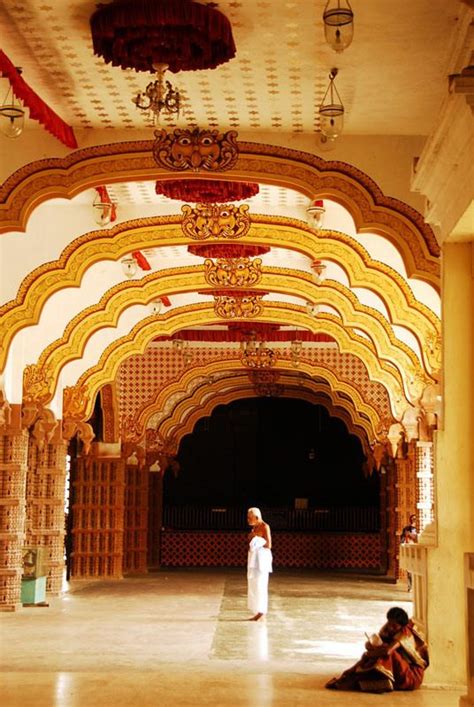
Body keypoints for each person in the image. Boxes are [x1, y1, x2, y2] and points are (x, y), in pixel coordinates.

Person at [325, 607, 429, 693]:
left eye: (394, 626)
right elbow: (369, 643)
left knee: (386, 653)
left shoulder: (404, 634)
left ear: (401, 626)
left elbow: (387, 651)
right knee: (378, 650)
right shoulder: (390, 629)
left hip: (411, 676)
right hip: (402, 671)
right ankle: (351, 676)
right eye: (389, 623)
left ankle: (358, 679)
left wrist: (369, 654)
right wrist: (373, 645)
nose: (391, 627)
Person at [246, 507, 272, 621]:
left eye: (249, 517)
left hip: (262, 560)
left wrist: (255, 539)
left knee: (261, 585)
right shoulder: (254, 527)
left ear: (256, 517)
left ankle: (262, 611)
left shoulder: (265, 527)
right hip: (254, 559)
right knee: (254, 585)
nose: (248, 520)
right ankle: (257, 610)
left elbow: (269, 545)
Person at [400, 526, 415, 591]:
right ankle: (410, 586)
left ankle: (413, 586)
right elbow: (402, 544)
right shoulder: (403, 539)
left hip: (414, 556)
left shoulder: (415, 539)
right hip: (409, 556)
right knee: (409, 572)